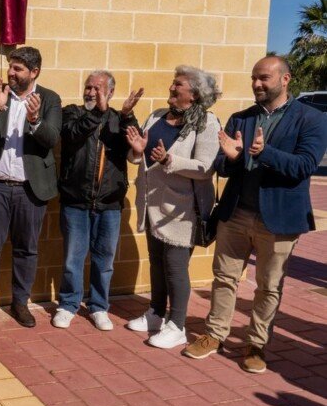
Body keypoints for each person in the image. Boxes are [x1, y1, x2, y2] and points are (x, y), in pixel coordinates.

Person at [183, 56, 327, 373]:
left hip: (279, 220)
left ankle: (256, 345)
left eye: (263, 78)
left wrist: (265, 153)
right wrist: (234, 158)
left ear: (285, 79)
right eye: (253, 78)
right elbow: (223, 166)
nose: (257, 84)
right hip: (236, 214)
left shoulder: (311, 119)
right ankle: (214, 334)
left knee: (268, 286)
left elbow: (303, 166)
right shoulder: (241, 119)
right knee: (224, 279)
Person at [125, 66, 221, 349]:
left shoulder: (206, 122)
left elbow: (205, 167)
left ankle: (177, 325)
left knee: (175, 268)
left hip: (182, 210)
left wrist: (170, 161)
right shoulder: (156, 116)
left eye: (177, 84)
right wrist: (137, 150)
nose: (171, 87)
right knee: (156, 263)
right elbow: (137, 155)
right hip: (152, 205)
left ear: (194, 94)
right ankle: (155, 313)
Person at [0, 46, 62, 329]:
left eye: (18, 68)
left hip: (30, 190)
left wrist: (35, 121)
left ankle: (20, 303)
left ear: (34, 72)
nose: (10, 72)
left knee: (27, 249)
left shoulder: (50, 99)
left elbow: (52, 138)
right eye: (10, 66)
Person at [53, 71, 142, 330]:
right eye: (88, 87)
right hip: (76, 200)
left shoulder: (119, 119)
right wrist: (98, 113)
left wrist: (126, 115)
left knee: (104, 261)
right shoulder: (72, 113)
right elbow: (71, 135)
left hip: (110, 204)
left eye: (98, 89)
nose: (91, 92)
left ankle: (99, 306)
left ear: (111, 93)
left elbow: (133, 147)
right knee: (73, 258)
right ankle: (68, 304)